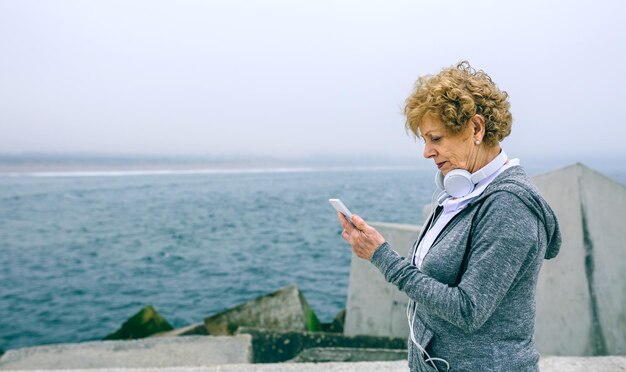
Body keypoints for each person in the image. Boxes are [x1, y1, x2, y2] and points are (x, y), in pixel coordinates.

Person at [336, 61, 561, 371]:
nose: (426, 152)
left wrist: (382, 257)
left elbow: (468, 309)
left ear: (476, 129)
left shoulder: (510, 207)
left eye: (436, 139)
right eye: (425, 141)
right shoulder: (462, 193)